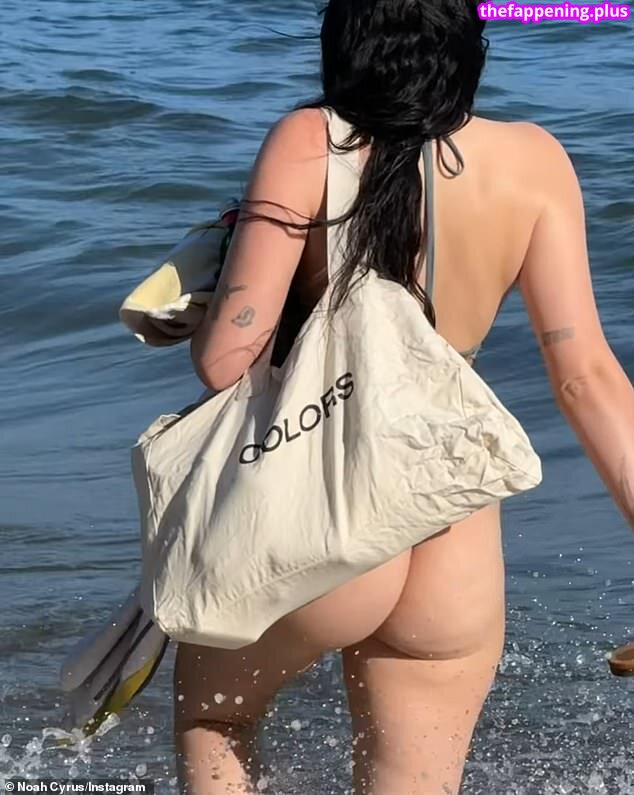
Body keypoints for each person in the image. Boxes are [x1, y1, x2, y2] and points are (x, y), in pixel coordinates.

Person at [173, 1, 634, 792]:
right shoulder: (537, 160)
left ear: (345, 45)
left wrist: (203, 291)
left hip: (324, 495)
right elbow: (585, 378)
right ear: (467, 50)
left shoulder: (307, 139)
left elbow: (223, 361)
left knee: (215, 720)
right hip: (453, 519)